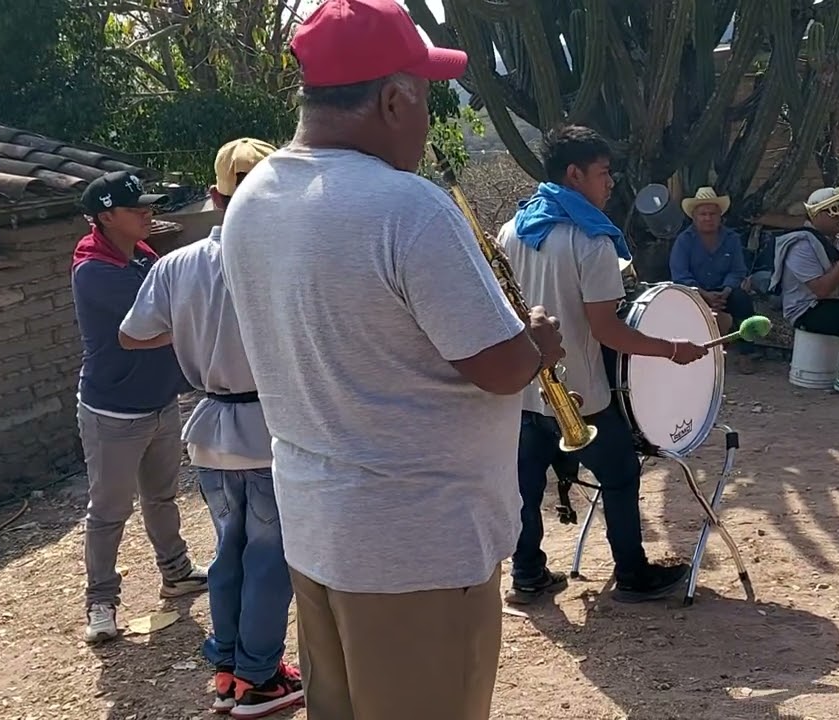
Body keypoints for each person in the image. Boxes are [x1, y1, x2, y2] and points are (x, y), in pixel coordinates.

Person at [217, 1, 564, 718]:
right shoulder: (407, 208)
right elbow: (500, 368)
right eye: (427, 98)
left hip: (319, 533)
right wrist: (539, 343)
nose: (428, 117)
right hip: (419, 552)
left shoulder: (252, 196)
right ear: (394, 98)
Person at [119, 138, 301, 718]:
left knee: (230, 550)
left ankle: (226, 672)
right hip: (270, 426)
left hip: (212, 426)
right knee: (270, 558)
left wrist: (195, 329)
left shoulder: (176, 264)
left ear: (216, 195)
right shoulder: (285, 257)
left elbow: (132, 333)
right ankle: (259, 678)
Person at [498, 124, 708, 606]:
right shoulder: (590, 240)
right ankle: (632, 573)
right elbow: (607, 330)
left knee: (526, 486)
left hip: (525, 390)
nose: (610, 183)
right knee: (619, 476)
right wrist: (672, 348)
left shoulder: (513, 229)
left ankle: (527, 573)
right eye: (603, 173)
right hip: (582, 393)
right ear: (575, 174)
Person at [71, 170, 207, 645]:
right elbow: (152, 327)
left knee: (162, 496)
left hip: (158, 403)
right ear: (107, 217)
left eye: (150, 207)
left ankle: (176, 572)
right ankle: (101, 602)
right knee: (108, 511)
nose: (149, 215)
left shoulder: (141, 258)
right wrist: (201, 328)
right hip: (114, 412)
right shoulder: (95, 272)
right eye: (137, 209)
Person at [768, 186, 839, 400]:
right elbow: (821, 290)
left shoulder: (835, 238)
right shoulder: (801, 243)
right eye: (834, 211)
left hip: (829, 303)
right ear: (819, 214)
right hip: (806, 309)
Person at [669, 186, 755, 365]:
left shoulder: (731, 239)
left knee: (742, 300)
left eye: (712, 214)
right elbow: (680, 275)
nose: (708, 218)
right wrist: (703, 294)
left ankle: (747, 353)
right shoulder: (684, 241)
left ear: (720, 216)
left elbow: (738, 270)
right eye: (703, 214)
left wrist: (726, 291)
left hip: (724, 292)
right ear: (694, 217)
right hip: (694, 292)